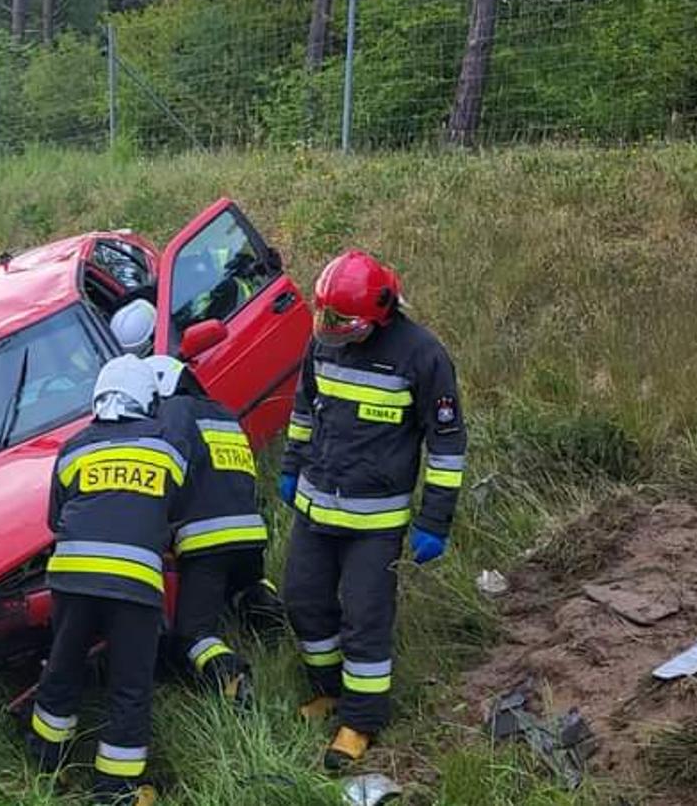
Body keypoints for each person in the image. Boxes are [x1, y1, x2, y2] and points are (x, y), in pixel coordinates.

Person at [278, 250, 466, 769]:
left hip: (374, 523)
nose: (329, 329)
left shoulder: (422, 355)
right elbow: (303, 409)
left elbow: (447, 444)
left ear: (379, 313)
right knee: (303, 600)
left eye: (341, 321)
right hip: (317, 509)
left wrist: (435, 520)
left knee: (365, 618)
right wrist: (292, 466)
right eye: (325, 317)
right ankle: (329, 690)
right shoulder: (324, 342)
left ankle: (360, 721)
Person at [28, 355, 187, 806]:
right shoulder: (167, 448)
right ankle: (115, 790)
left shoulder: (74, 447)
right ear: (148, 401)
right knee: (129, 686)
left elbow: (55, 518)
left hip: (72, 580)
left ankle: (46, 764)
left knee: (62, 670)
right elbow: (176, 513)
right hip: (134, 587)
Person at [144, 354, 282, 709]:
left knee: (192, 634)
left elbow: (168, 469)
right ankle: (273, 622)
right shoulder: (223, 414)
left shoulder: (174, 412)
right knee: (243, 586)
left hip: (207, 544)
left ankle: (232, 678)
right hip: (250, 534)